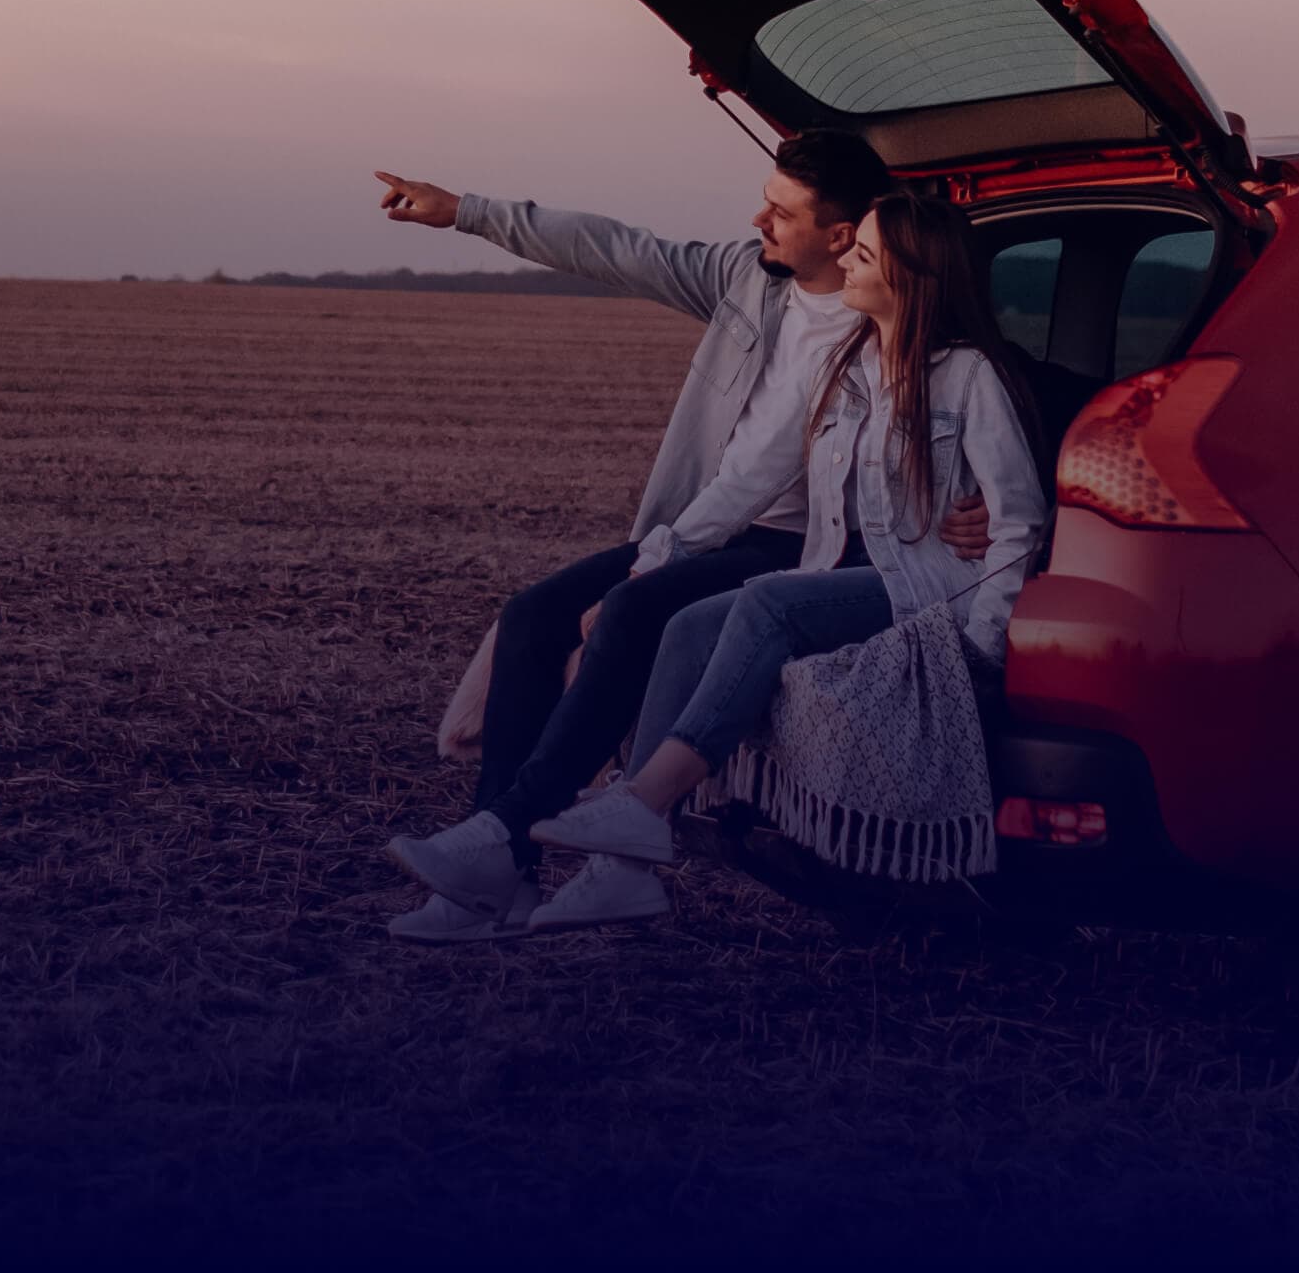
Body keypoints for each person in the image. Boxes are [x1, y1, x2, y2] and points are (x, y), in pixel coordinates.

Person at [371, 135, 994, 941]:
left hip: (801, 547)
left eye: (784, 209)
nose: (758, 217)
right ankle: (497, 878)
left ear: (844, 237)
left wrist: (978, 500)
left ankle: (511, 836)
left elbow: (988, 404)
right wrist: (465, 212)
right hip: (713, 521)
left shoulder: (881, 328)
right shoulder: (747, 277)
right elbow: (617, 249)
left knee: (634, 614)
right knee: (531, 617)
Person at [521, 192, 1049, 912]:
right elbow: (751, 477)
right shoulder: (847, 365)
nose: (845, 261)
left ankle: (643, 802)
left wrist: (985, 646)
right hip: (858, 572)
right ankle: (623, 873)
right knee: (689, 624)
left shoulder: (968, 377)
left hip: (935, 589)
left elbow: (1018, 520)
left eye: (862, 254)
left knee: (769, 602)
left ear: (911, 276)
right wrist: (662, 554)